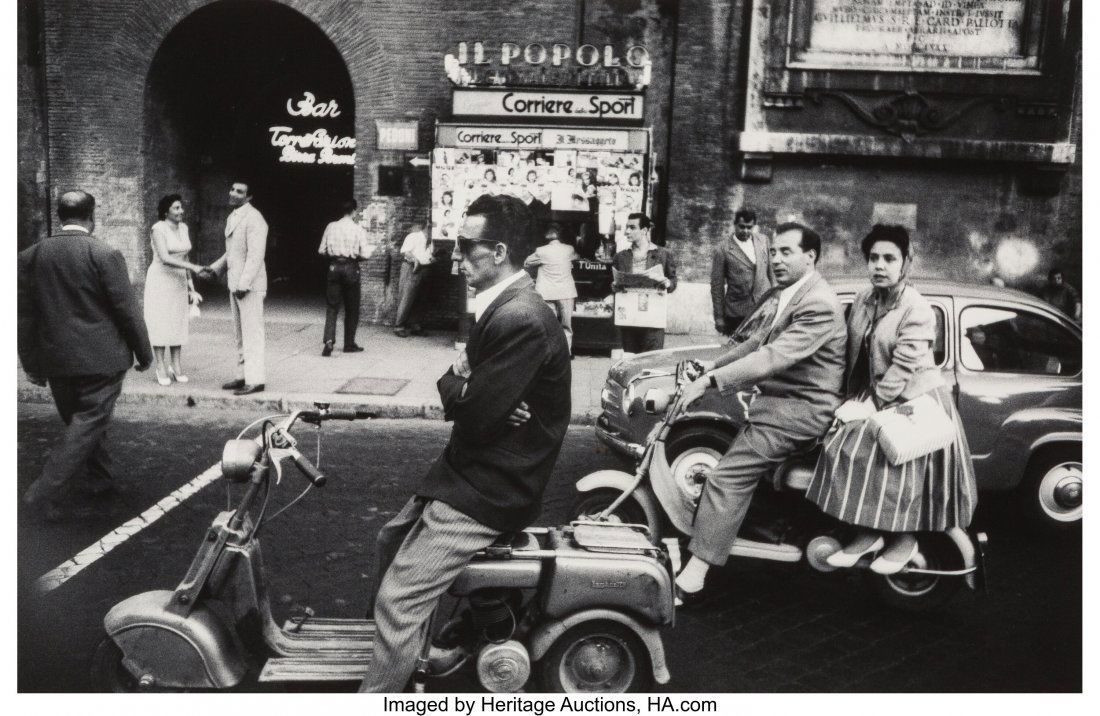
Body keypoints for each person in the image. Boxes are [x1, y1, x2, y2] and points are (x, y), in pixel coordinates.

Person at [359, 194, 571, 693]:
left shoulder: (520, 317)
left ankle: (380, 693)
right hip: (471, 470)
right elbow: (464, 394)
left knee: (397, 600)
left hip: (491, 486)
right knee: (390, 540)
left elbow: (473, 416)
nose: (454, 256)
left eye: (463, 245)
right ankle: (407, 653)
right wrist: (470, 389)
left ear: (498, 252)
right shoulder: (502, 307)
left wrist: (468, 389)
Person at [674, 222, 846, 599]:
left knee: (725, 478)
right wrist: (712, 366)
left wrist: (711, 382)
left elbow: (772, 357)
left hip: (797, 413)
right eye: (773, 252)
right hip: (780, 407)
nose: (776, 259)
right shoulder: (791, 293)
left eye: (787, 252)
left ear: (810, 257)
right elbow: (755, 342)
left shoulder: (818, 303)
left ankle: (695, 576)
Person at [804, 225, 978, 573]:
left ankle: (904, 538)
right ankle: (868, 533)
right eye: (873, 258)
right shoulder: (864, 300)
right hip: (877, 393)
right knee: (841, 445)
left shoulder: (917, 308)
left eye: (889, 258)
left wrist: (869, 405)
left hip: (915, 401)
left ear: (905, 263)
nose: (879, 265)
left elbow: (902, 367)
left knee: (892, 463)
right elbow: (850, 351)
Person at [18, 191, 153, 522]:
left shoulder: (31, 256)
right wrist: (144, 352)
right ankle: (42, 493)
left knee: (81, 423)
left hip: (56, 360)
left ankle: (101, 477)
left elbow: (24, 317)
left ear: (59, 215)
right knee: (87, 423)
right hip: (102, 359)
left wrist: (31, 363)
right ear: (92, 216)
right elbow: (127, 310)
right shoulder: (105, 254)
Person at [201, 179, 268, 395]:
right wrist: (215, 270)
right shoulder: (233, 217)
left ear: (249, 197)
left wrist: (244, 283)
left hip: (249, 286)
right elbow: (232, 252)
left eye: (240, 192)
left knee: (252, 333)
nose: (233, 193)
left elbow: (255, 255)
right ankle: (242, 376)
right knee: (240, 334)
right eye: (232, 189)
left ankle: (256, 379)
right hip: (235, 284)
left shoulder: (255, 218)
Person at [143, 194, 205, 385]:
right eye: (176, 208)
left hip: (179, 280)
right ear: (166, 211)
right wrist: (194, 267)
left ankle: (176, 365)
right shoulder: (158, 229)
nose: (181, 211)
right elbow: (164, 257)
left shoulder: (184, 228)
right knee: (161, 321)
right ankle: (160, 366)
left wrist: (191, 286)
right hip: (160, 280)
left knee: (178, 321)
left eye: (181, 207)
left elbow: (184, 257)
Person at [612, 212, 677, 354]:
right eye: (627, 227)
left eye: (632, 227)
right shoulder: (620, 257)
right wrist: (615, 286)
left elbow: (673, 281)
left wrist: (666, 283)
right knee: (630, 356)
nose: (627, 231)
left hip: (653, 314)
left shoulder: (663, 254)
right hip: (630, 316)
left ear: (644, 230)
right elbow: (614, 284)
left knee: (651, 357)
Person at [317, 199, 372, 356]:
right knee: (352, 307)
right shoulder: (358, 229)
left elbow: (321, 250)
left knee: (332, 306)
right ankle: (349, 344)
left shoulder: (331, 226)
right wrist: (355, 257)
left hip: (334, 267)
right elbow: (365, 254)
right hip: (351, 268)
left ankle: (329, 341)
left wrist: (334, 256)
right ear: (354, 211)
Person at [710, 207, 772, 336]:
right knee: (736, 347)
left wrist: (776, 300)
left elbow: (772, 273)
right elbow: (717, 286)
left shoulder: (763, 241)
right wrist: (719, 317)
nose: (745, 231)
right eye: (742, 227)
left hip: (763, 309)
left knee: (761, 346)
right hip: (736, 312)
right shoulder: (723, 249)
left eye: (749, 227)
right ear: (735, 225)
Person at [524, 222, 579, 352]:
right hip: (566, 292)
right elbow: (577, 257)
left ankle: (550, 353)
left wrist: (540, 263)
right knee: (566, 326)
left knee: (549, 325)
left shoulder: (541, 251)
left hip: (546, 292)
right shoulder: (569, 249)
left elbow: (527, 263)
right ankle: (566, 352)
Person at [393, 222, 434, 338]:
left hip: (425, 269)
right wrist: (415, 259)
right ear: (427, 228)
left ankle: (415, 325)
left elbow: (428, 255)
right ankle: (399, 326)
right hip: (411, 268)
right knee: (407, 297)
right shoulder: (413, 236)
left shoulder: (430, 241)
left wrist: (433, 258)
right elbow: (405, 251)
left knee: (420, 298)